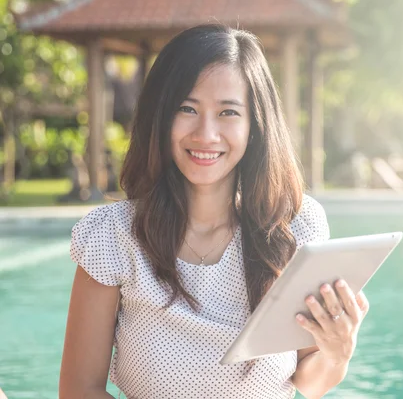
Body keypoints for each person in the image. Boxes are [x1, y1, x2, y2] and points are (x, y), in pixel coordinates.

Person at [59, 24, 370, 399]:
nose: (206, 134)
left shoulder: (295, 227)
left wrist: (337, 354)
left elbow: (309, 380)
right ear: (160, 116)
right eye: (187, 108)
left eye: (228, 113)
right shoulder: (113, 235)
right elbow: (80, 391)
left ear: (255, 125)